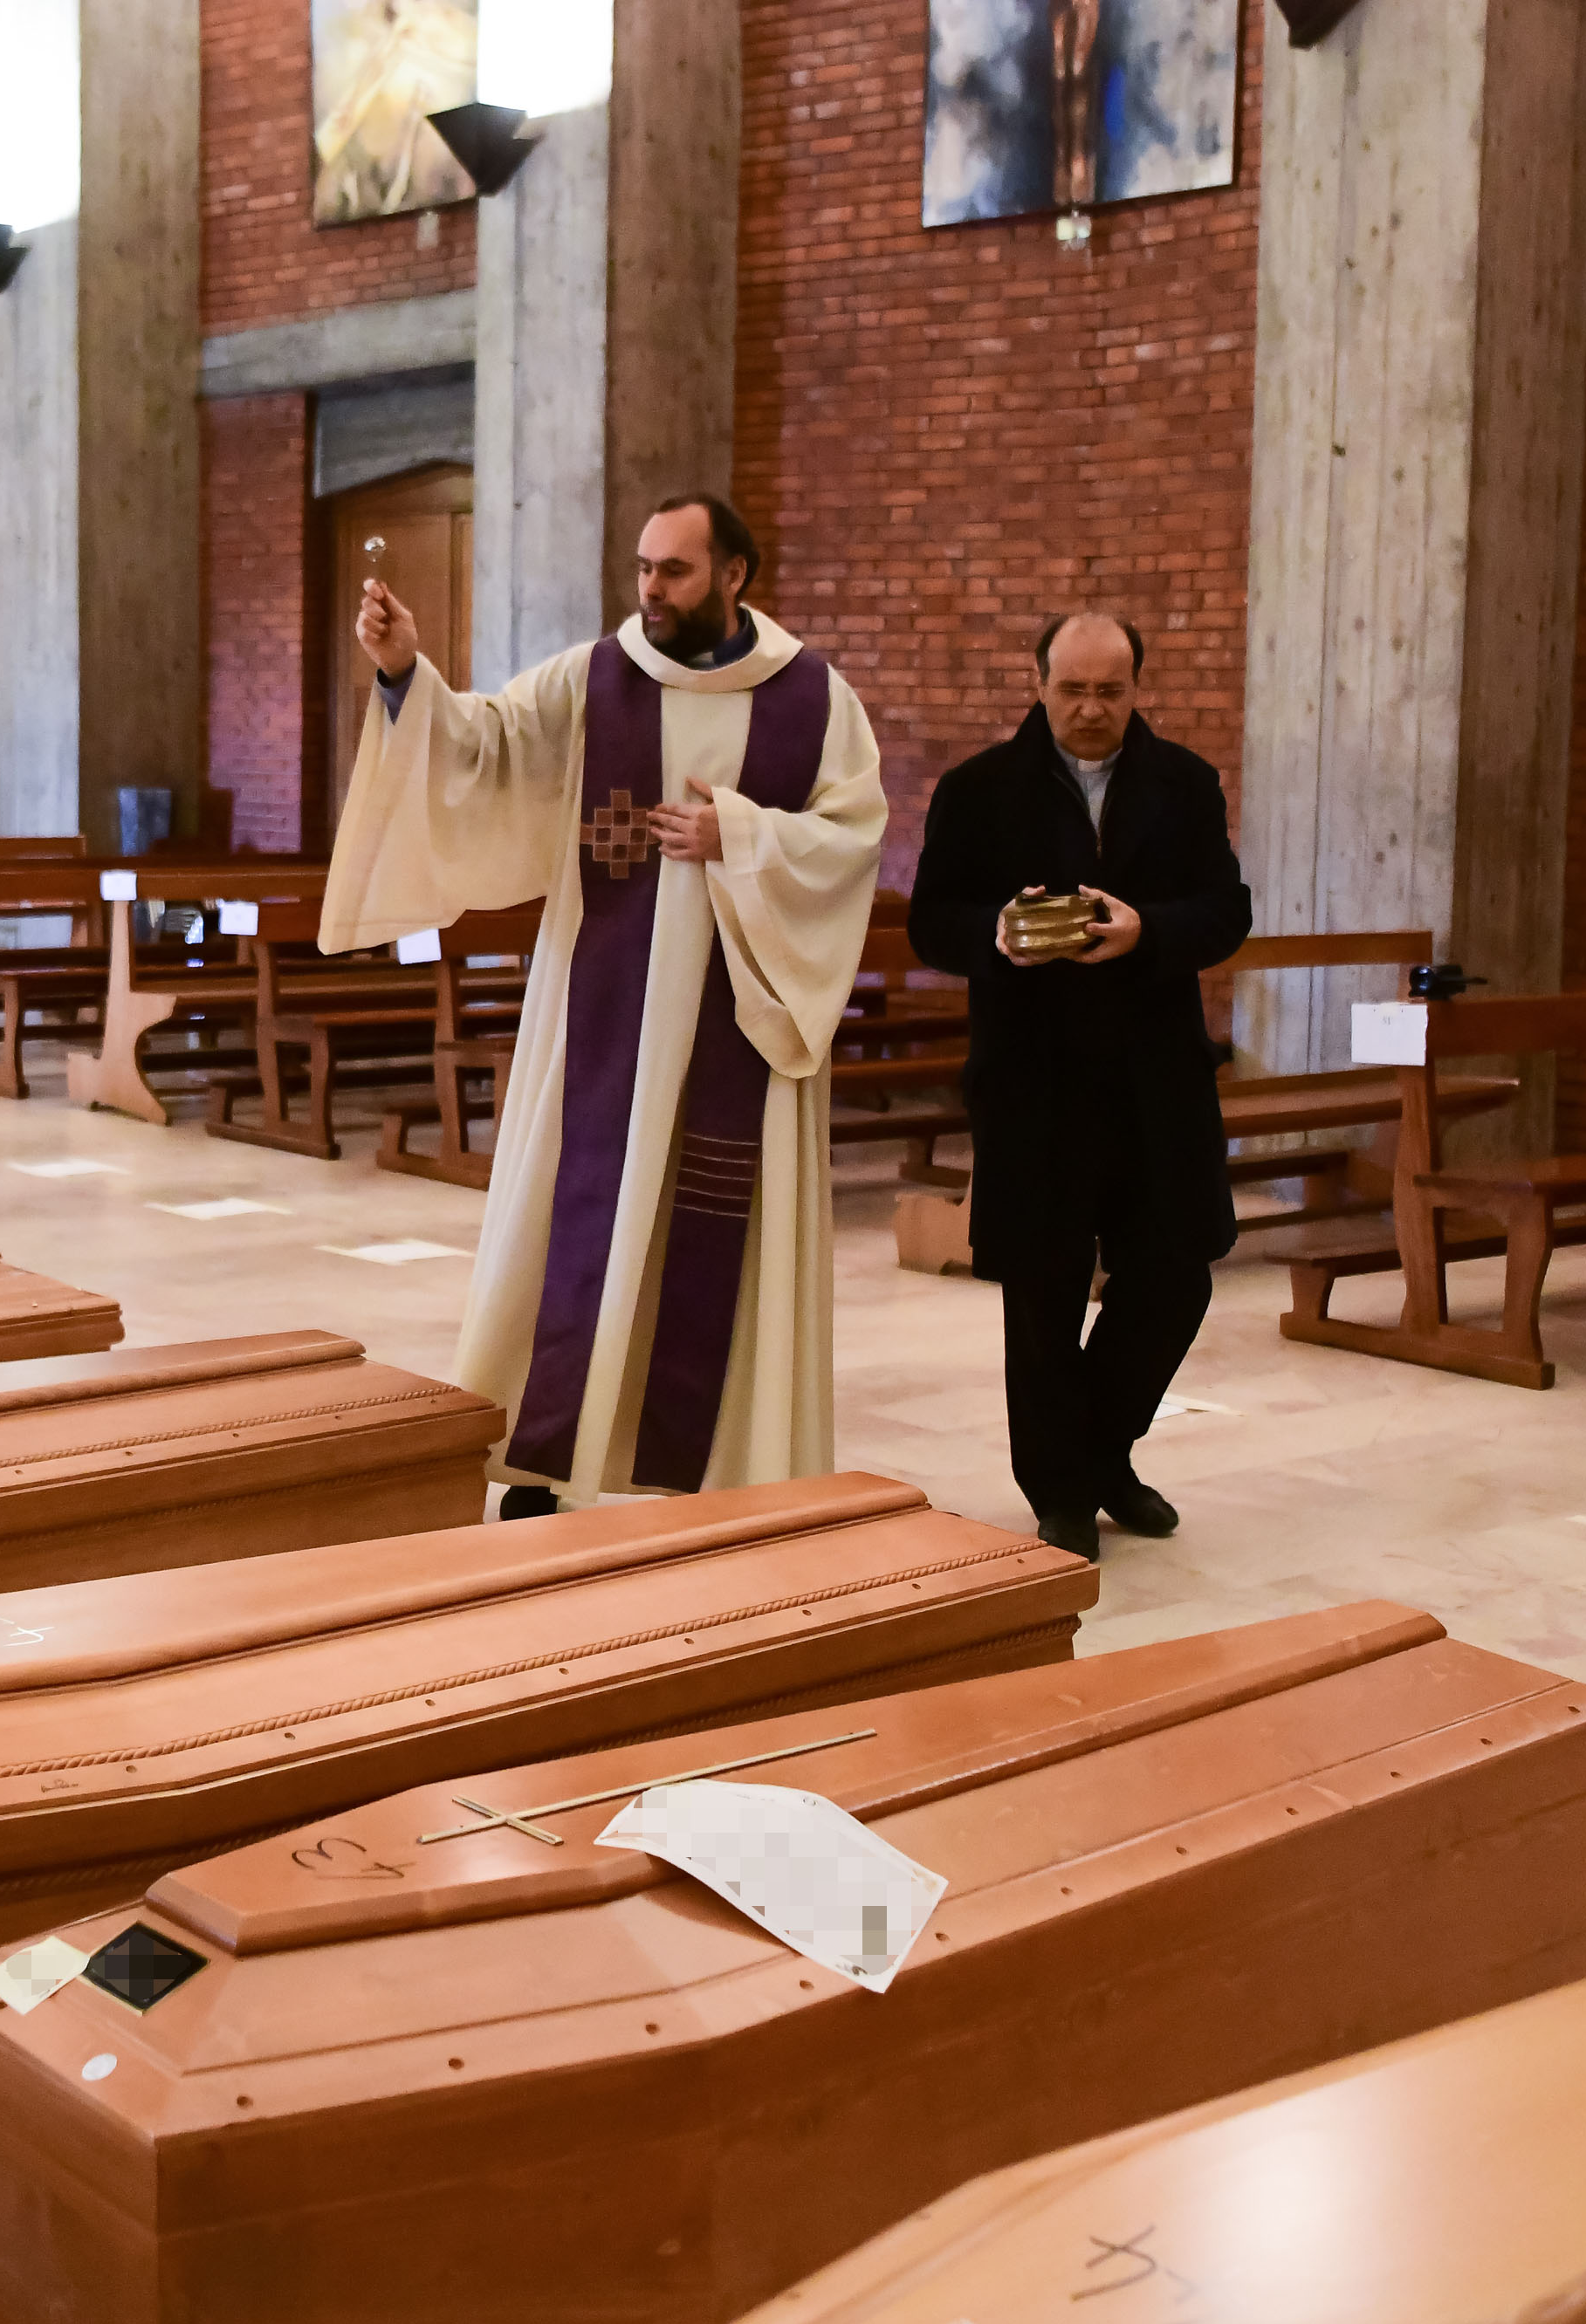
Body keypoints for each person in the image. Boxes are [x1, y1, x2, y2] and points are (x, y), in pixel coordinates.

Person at [328, 492, 891, 1514]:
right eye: (642, 568)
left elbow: (855, 838)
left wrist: (748, 837)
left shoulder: (814, 698)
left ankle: (721, 1465)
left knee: (714, 1231)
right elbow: (485, 747)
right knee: (581, 1214)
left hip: (741, 1016)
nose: (650, 591)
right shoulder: (595, 679)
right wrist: (409, 671)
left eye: (674, 571)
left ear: (735, 575)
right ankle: (552, 1455)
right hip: (604, 1010)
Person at [908, 612, 1251, 1563]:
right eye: (1073, 689)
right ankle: (1060, 1493)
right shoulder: (979, 791)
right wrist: (998, 935)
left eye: (1111, 690)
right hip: (1034, 1077)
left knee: (1177, 1275)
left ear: (1138, 687)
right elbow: (930, 922)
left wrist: (1149, 932)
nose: (1091, 708)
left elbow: (1226, 912)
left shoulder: (1183, 784)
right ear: (1038, 681)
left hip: (1158, 1078)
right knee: (1044, 1293)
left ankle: (1101, 1455)